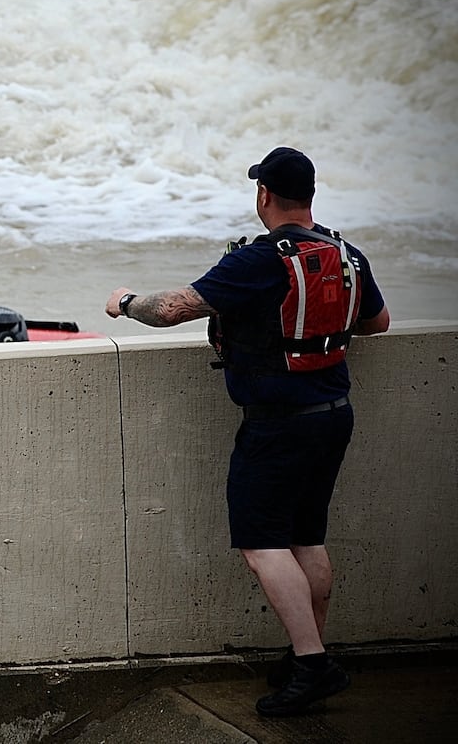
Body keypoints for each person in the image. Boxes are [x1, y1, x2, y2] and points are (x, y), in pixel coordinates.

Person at [105, 147, 389, 718]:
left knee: (262, 546)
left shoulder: (259, 261)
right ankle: (306, 654)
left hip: (277, 426)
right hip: (334, 413)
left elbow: (172, 309)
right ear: (310, 198)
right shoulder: (345, 251)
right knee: (306, 538)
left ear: (264, 196)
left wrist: (125, 301)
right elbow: (378, 322)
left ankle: (311, 665)